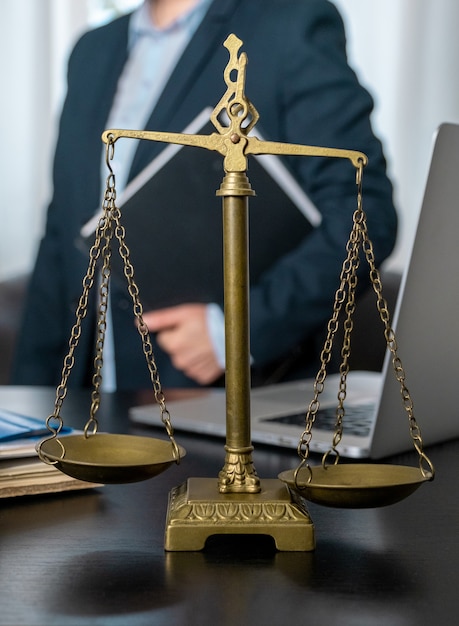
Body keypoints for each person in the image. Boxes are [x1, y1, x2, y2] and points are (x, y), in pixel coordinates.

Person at [11, 0, 397, 390]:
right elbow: (61, 235)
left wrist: (237, 331)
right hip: (88, 404)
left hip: (219, 405)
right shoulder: (93, 50)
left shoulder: (288, 25)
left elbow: (366, 215)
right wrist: (25, 402)